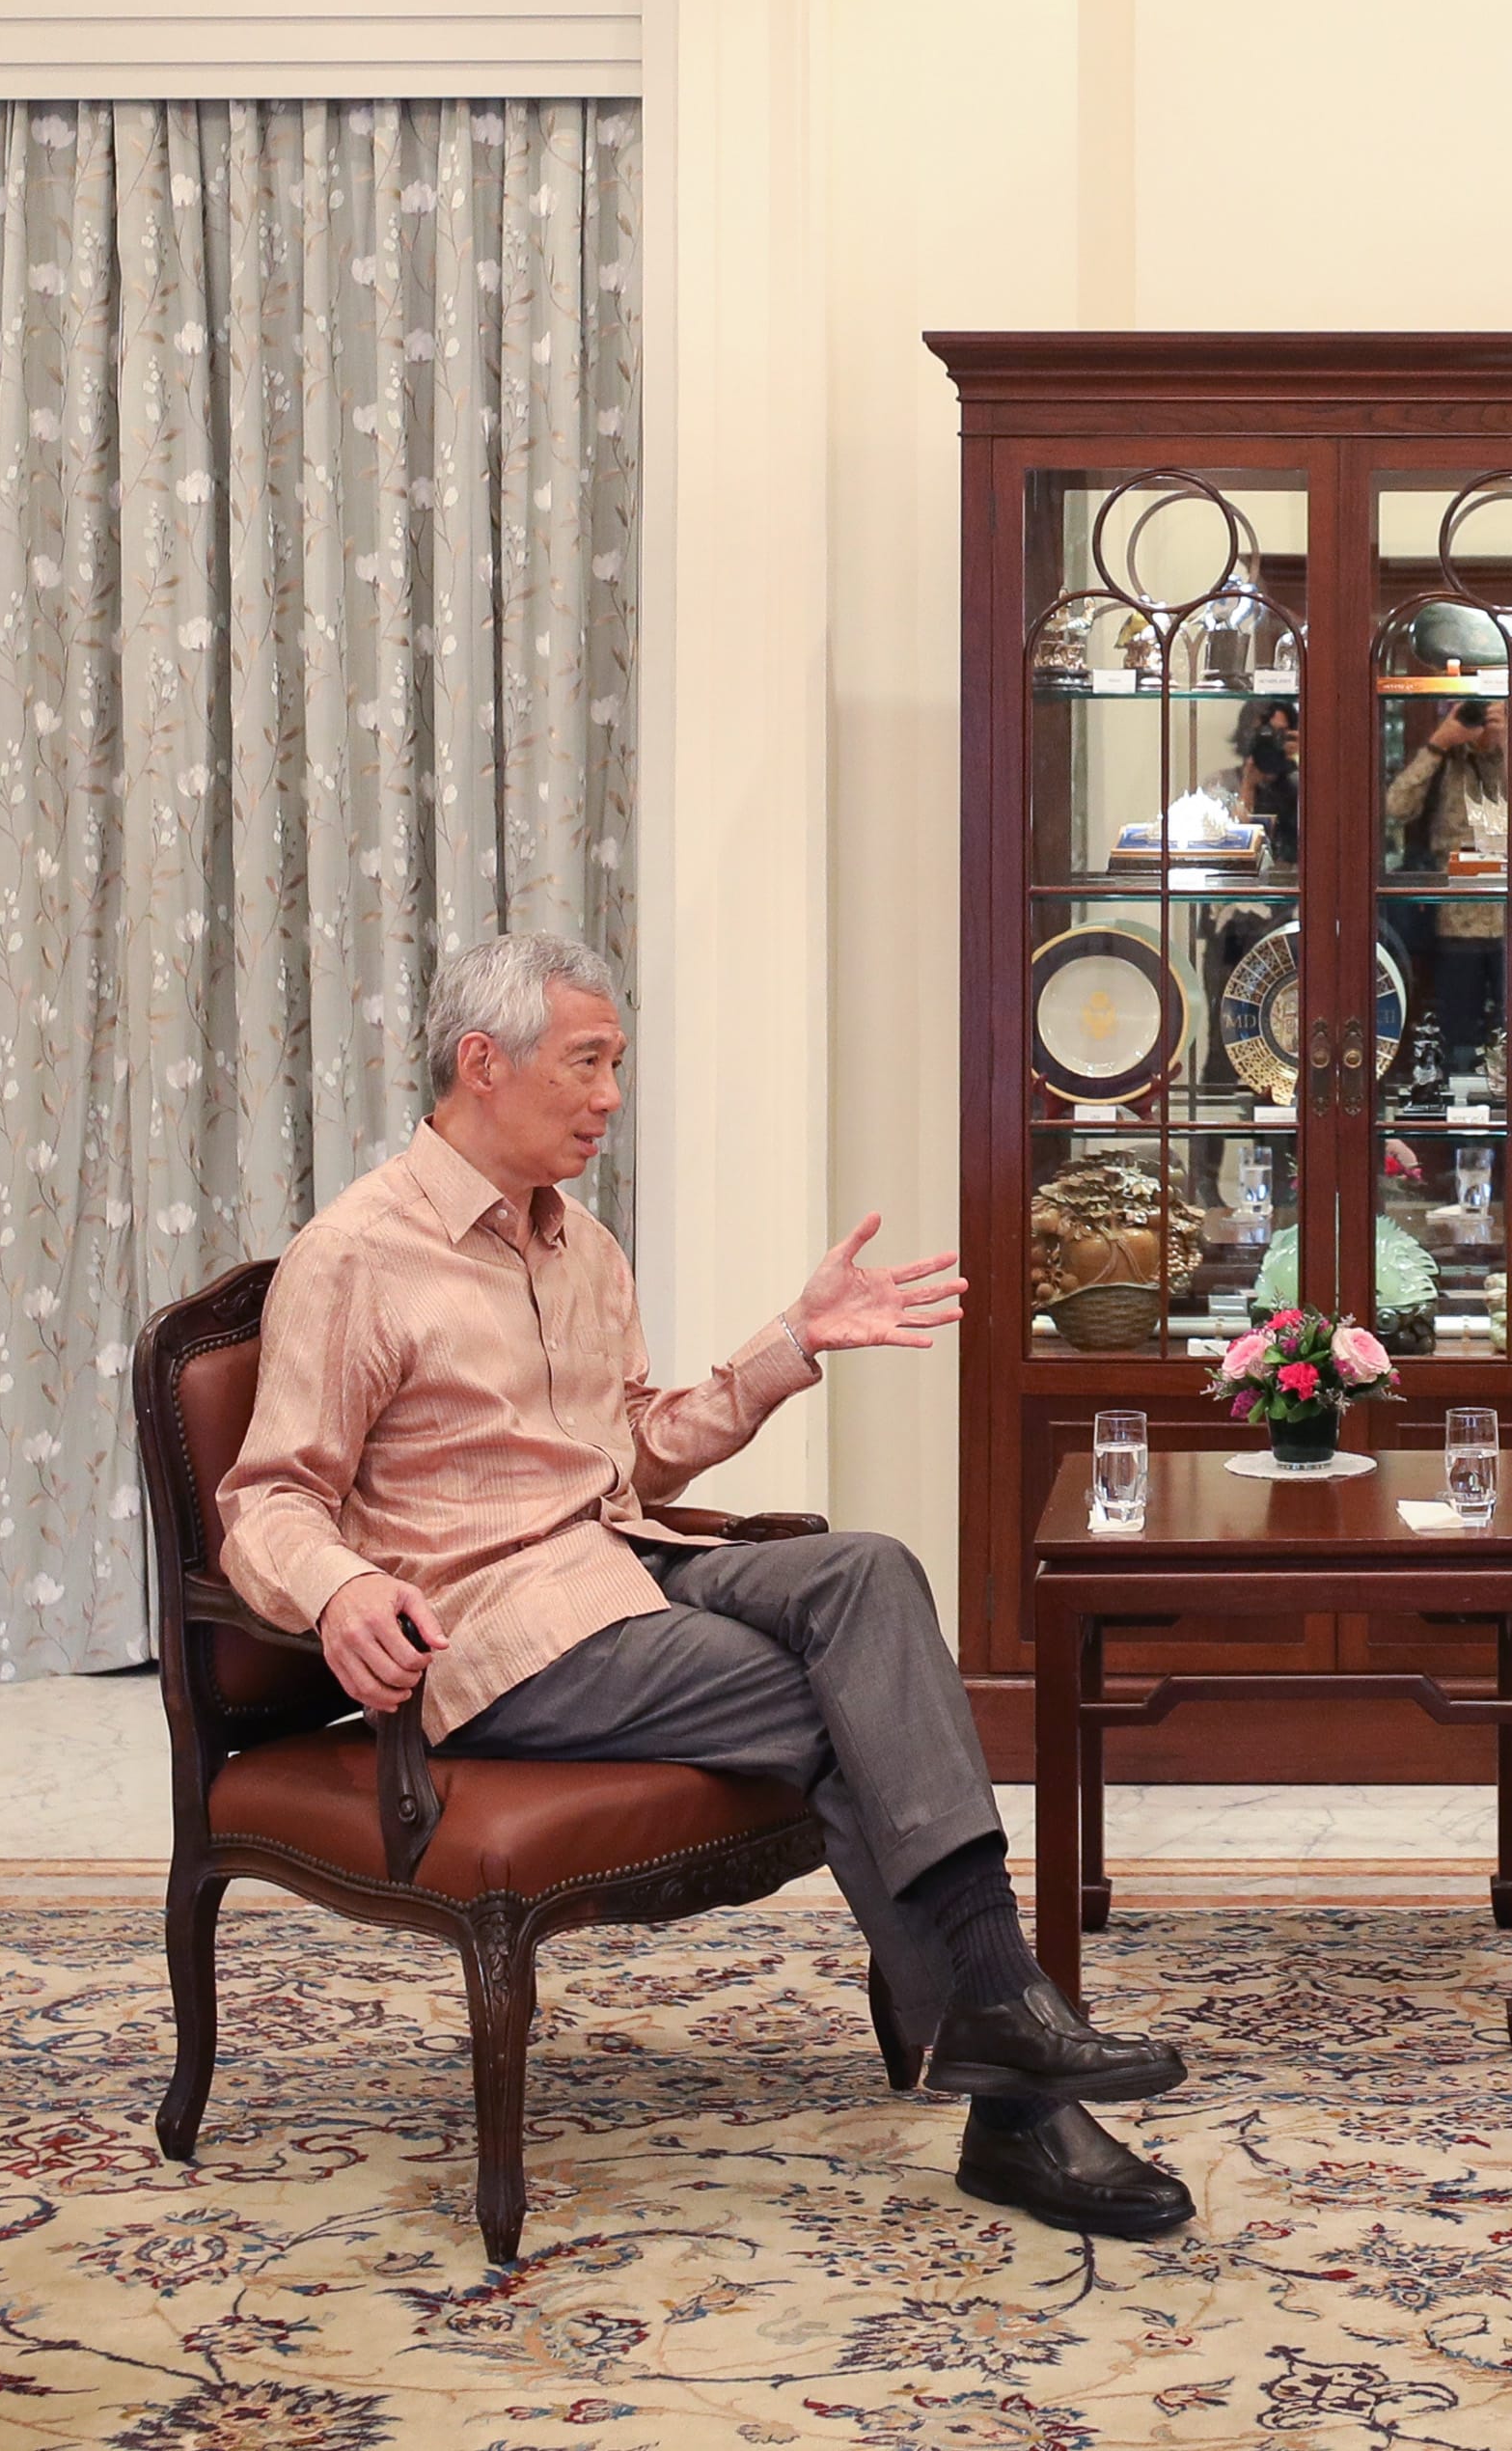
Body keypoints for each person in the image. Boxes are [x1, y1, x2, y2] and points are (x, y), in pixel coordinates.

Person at [214, 930, 1196, 2240]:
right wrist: (337, 1592)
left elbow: (630, 1449)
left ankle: (999, 2028)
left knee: (867, 1574)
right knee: (844, 1710)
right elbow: (266, 1499)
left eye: (617, 1064)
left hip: (625, 1569)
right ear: (481, 1063)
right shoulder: (359, 1257)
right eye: (587, 1064)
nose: (612, 1096)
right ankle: (1019, 2089)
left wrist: (789, 1346)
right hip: (505, 1638)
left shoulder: (582, 1246)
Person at [1383, 696, 1512, 1075]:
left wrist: (1508, 748)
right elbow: (1395, 808)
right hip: (1457, 924)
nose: (1481, 720)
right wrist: (1439, 742)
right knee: (1455, 1047)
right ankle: (1459, 1128)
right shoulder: (1446, 759)